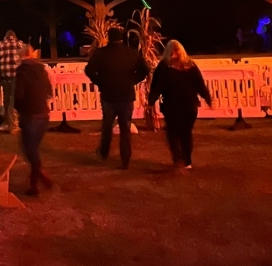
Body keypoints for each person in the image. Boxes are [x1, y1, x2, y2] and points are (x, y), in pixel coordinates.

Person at [84, 28, 149, 170]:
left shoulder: (100, 53)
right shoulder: (132, 53)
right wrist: (133, 80)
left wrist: (100, 81)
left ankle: (104, 152)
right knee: (125, 128)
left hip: (108, 95)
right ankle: (125, 158)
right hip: (126, 95)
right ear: (122, 38)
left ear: (109, 38)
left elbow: (88, 70)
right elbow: (145, 70)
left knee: (107, 125)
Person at [148, 40, 213, 172]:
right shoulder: (191, 66)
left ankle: (179, 158)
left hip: (173, 105)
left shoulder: (164, 66)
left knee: (174, 133)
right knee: (185, 133)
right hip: (189, 105)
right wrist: (207, 98)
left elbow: (157, 86)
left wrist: (151, 101)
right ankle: (186, 160)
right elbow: (200, 84)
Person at [14, 44, 54, 196]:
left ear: (22, 56)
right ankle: (35, 182)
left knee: (29, 149)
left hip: (30, 115)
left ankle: (40, 178)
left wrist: (19, 108)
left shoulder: (22, 72)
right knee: (33, 149)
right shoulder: (41, 69)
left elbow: (19, 95)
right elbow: (49, 91)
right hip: (43, 114)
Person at [0, 31, 24, 133]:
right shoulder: (19, 44)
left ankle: (8, 122)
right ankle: (14, 126)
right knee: (13, 101)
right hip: (15, 76)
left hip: (4, 76)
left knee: (7, 101)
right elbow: (23, 57)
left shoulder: (0, 44)